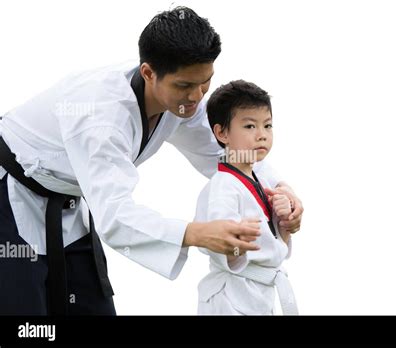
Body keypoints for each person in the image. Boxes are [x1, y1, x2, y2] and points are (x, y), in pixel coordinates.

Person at [0, 7, 303, 315]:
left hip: (69, 207)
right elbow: (116, 214)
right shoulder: (101, 117)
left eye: (205, 82)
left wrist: (278, 189)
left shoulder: (184, 102)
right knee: (24, 316)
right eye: (185, 85)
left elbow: (225, 154)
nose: (197, 96)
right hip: (9, 198)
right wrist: (196, 233)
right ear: (148, 73)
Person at [195, 80, 299, 315]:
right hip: (231, 296)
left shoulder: (262, 182)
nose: (262, 135)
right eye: (250, 126)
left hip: (258, 293)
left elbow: (275, 245)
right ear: (222, 132)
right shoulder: (223, 187)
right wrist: (236, 238)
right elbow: (220, 244)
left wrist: (283, 222)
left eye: (268, 125)